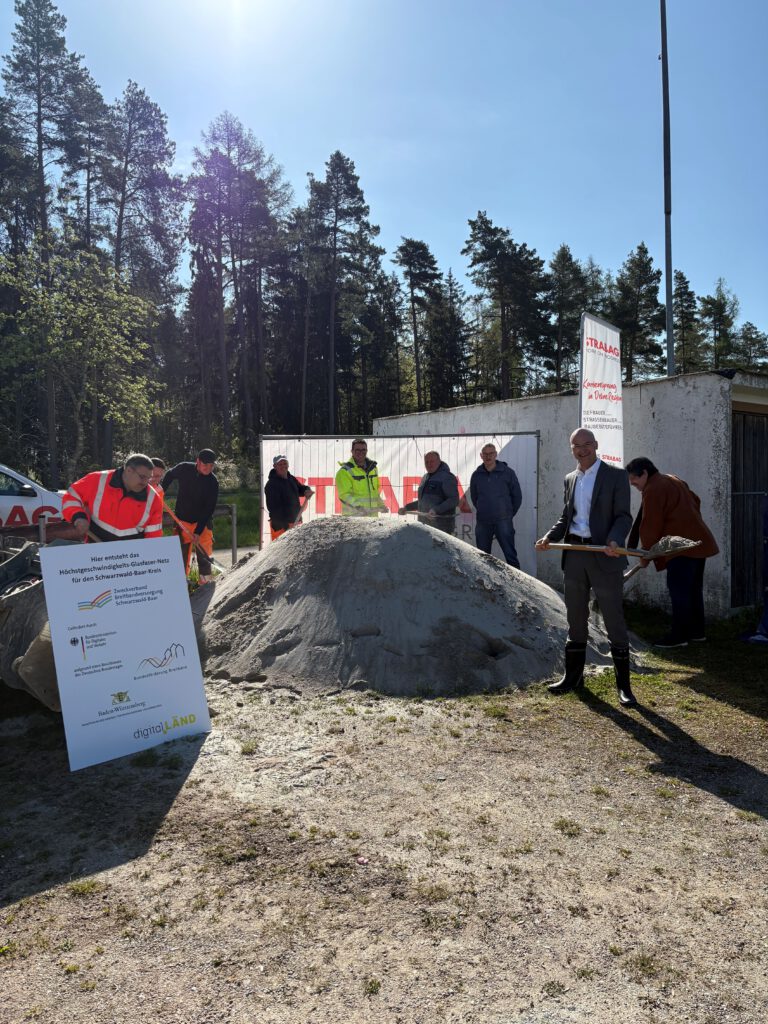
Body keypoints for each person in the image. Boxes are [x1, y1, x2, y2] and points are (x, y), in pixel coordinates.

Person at [536, 428, 636, 708]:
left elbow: (623, 516)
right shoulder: (571, 478)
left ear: (596, 445)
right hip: (575, 555)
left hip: (605, 554)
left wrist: (614, 540)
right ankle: (573, 678)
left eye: (587, 444)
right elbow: (566, 517)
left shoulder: (615, 476)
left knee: (613, 618)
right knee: (575, 617)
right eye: (576, 446)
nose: (582, 450)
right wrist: (550, 537)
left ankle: (624, 687)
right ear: (571, 449)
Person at [625, 457, 719, 648]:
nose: (634, 485)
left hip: (680, 547)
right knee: (693, 589)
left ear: (645, 473)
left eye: (634, 480)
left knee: (679, 591)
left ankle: (679, 637)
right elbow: (696, 500)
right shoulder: (673, 479)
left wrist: (646, 554)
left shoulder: (653, 489)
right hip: (698, 541)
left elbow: (651, 524)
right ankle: (696, 632)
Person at [62, 453, 164, 542]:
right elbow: (72, 496)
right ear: (128, 470)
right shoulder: (97, 480)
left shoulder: (154, 499)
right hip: (94, 549)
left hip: (131, 554)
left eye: (148, 478)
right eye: (142, 477)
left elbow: (153, 537)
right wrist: (78, 516)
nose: (146, 482)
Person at [161, 448, 219, 583]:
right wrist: (161, 492)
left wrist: (198, 531)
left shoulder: (213, 482)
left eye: (211, 466)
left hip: (202, 524)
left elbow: (209, 509)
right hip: (182, 521)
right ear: (198, 461)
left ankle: (205, 585)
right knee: (180, 557)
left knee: (204, 557)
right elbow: (169, 474)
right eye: (205, 464)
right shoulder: (184, 468)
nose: (208, 468)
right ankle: (181, 584)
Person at [467, 443, 522, 567]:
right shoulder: (476, 475)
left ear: (496, 454)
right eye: (485, 454)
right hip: (483, 522)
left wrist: (507, 514)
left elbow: (517, 497)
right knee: (482, 557)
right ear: (481, 456)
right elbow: (474, 497)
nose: (488, 456)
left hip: (503, 521)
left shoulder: (508, 473)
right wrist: (484, 510)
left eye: (491, 453)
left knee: (510, 555)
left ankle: (517, 579)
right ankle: (484, 579)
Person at [397, 451, 459, 534]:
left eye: (432, 461)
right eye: (426, 462)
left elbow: (454, 500)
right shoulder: (425, 477)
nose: (429, 464)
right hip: (424, 527)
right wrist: (407, 508)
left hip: (442, 529)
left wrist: (436, 510)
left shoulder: (447, 477)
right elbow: (423, 502)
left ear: (439, 461)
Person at [265, 455, 314, 541]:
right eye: (280, 464)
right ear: (275, 466)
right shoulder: (271, 484)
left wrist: (306, 490)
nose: (283, 466)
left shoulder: (291, 479)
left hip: (296, 522)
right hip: (281, 527)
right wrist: (285, 526)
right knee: (280, 549)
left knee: (298, 548)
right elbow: (274, 509)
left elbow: (300, 488)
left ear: (288, 465)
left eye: (285, 463)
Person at [336, 438, 388, 517]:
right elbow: (344, 495)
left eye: (363, 450)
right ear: (352, 451)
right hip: (353, 518)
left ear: (367, 451)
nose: (361, 452)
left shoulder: (373, 469)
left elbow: (375, 492)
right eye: (357, 450)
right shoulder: (344, 472)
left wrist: (381, 505)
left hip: (372, 518)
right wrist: (358, 507)